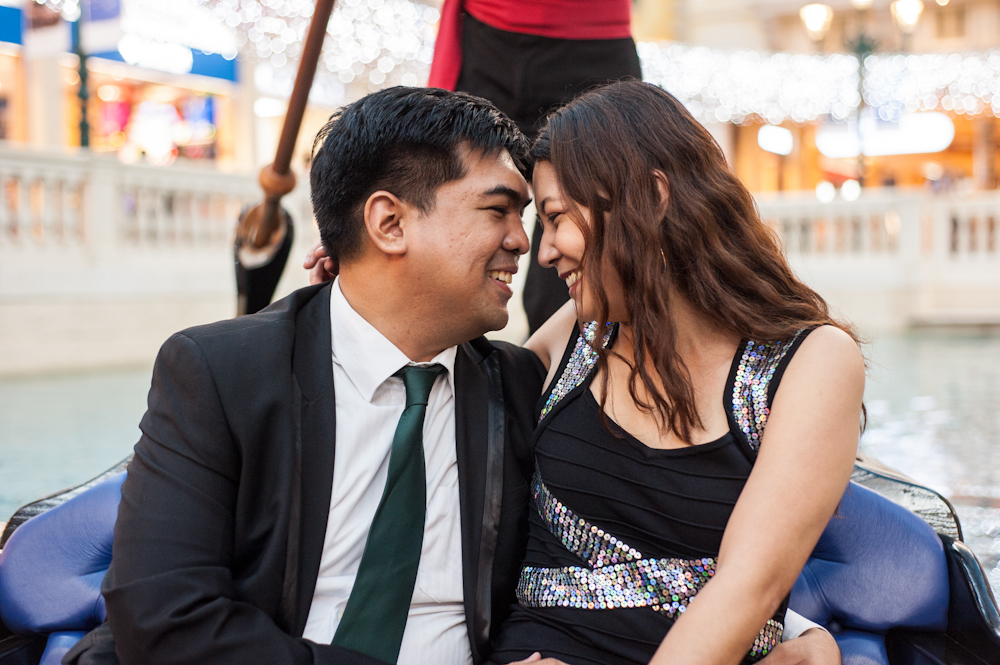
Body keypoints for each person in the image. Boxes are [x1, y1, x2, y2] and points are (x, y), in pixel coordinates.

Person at [71, 87, 543, 665]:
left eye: (524, 215)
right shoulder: (221, 371)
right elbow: (168, 618)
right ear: (389, 222)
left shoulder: (518, 387)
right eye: (498, 210)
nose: (523, 241)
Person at [484, 80, 865, 664]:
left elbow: (748, 587)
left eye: (557, 217)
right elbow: (459, 389)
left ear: (653, 197)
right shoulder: (574, 329)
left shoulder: (812, 363)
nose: (545, 250)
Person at [430, 0, 643, 335]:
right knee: (457, 217)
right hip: (488, 35)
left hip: (593, 39)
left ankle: (571, 381)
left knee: (578, 256)